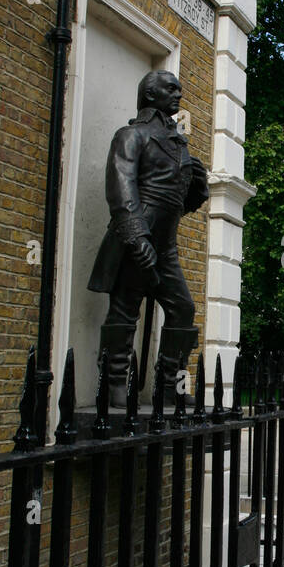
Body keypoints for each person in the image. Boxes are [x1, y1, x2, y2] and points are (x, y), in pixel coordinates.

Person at [88, 69, 209, 406]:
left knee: (183, 310)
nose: (178, 94)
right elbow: (121, 186)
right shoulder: (131, 135)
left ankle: (170, 386)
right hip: (136, 238)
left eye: (179, 89)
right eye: (171, 89)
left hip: (165, 245)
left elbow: (178, 203)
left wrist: (198, 186)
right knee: (125, 309)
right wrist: (136, 236)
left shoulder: (177, 145)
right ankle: (114, 383)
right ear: (151, 94)